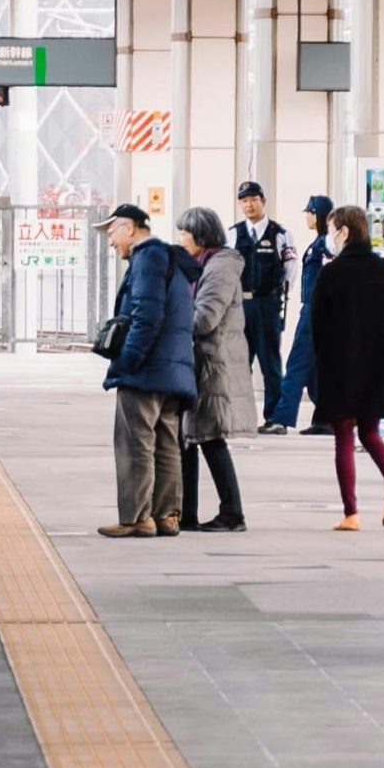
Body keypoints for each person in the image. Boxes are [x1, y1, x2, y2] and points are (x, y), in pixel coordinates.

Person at [94, 203, 195, 538]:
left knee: (136, 442)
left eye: (112, 233)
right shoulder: (169, 258)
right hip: (172, 370)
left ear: (130, 228)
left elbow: (146, 316)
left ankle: (137, 517)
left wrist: (128, 362)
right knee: (167, 442)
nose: (111, 242)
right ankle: (166, 515)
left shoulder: (147, 258)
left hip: (147, 369)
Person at [309, 204, 384, 532]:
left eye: (331, 230)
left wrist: (321, 359)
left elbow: (317, 323)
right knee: (370, 432)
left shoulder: (332, 272)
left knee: (344, 437)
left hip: (341, 364)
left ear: (345, 232)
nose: (329, 237)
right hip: (379, 362)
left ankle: (351, 513)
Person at [173, 206, 257, 532]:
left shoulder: (220, 268)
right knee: (190, 436)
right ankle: (186, 513)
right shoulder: (201, 264)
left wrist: (173, 321)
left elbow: (205, 318)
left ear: (201, 235)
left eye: (184, 232)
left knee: (209, 438)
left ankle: (232, 513)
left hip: (214, 364)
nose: (180, 239)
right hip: (202, 362)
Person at [230, 181, 298, 429]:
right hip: (239, 306)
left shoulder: (280, 233)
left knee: (270, 363)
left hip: (268, 303)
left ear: (263, 201)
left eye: (253, 199)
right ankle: (240, 416)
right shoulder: (233, 234)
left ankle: (273, 418)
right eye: (243, 201)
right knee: (239, 363)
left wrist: (278, 292)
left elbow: (291, 268)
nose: (248, 205)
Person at [267, 195, 335, 435]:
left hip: (314, 312)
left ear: (317, 215)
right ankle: (327, 418)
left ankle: (281, 418)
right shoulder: (321, 242)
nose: (306, 216)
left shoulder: (326, 244)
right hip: (317, 311)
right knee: (316, 369)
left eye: (309, 212)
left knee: (296, 364)